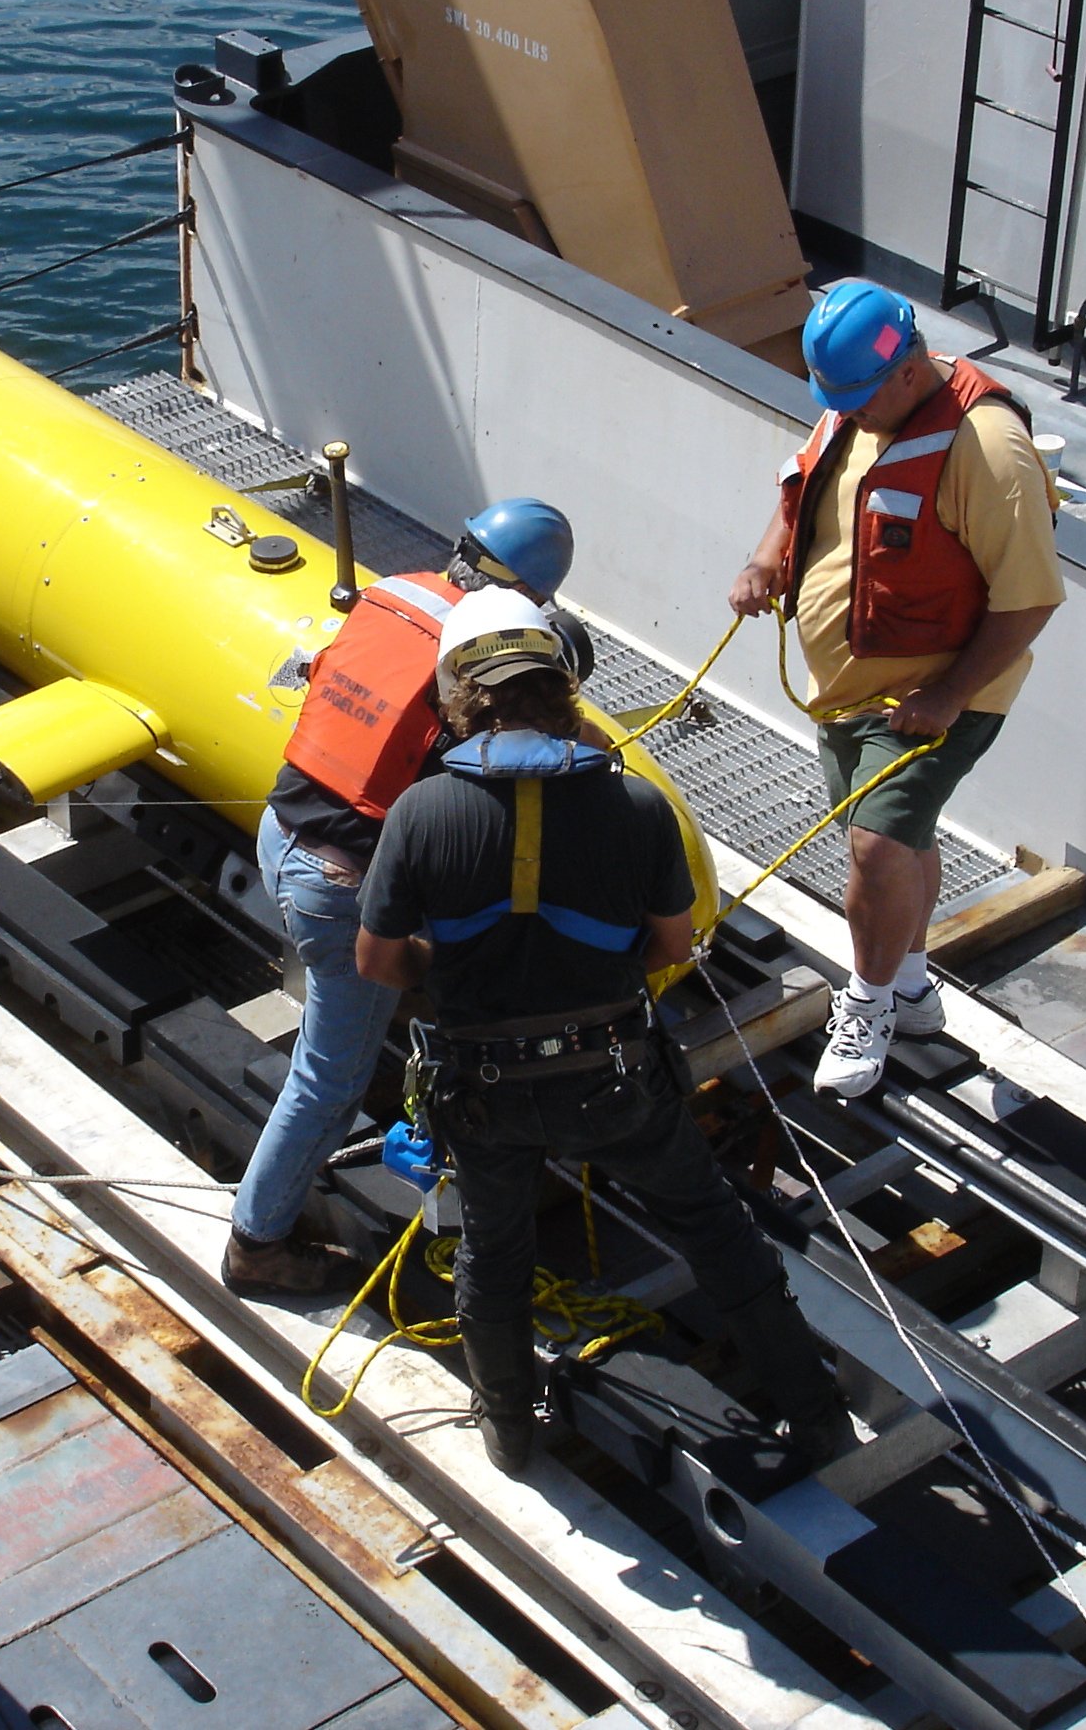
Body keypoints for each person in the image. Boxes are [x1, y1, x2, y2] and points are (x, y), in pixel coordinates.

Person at [356, 588, 852, 1474]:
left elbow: (377, 961)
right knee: (716, 1232)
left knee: (494, 1251)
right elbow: (670, 943)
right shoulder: (636, 808)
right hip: (618, 1083)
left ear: (457, 696)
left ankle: (509, 1430)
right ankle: (816, 1418)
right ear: (564, 688)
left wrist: (459, 978)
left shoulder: (419, 815)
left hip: (484, 1092)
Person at [223, 498, 580, 1298]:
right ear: (532, 598)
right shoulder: (480, 659)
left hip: (281, 836)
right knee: (330, 1078)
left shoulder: (399, 593)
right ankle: (257, 1246)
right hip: (337, 887)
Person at [727, 280, 1063, 1097]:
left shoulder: (987, 450)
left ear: (908, 370)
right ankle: (911, 987)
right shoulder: (856, 404)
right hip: (844, 689)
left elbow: (1029, 600)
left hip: (939, 694)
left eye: (856, 398)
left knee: (874, 847)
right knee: (900, 843)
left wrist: (948, 696)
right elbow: (804, 490)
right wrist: (764, 562)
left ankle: (867, 1005)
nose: (845, 412)